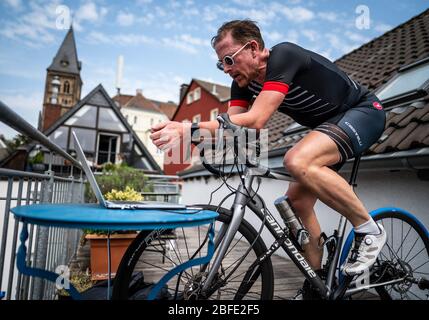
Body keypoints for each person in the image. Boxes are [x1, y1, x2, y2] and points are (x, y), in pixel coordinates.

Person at [150, 20, 387, 298]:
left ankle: (369, 229)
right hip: (327, 130)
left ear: (253, 48)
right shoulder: (243, 84)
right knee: (296, 202)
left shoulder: (284, 56)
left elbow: (257, 118)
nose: (226, 69)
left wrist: (186, 127)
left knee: (296, 160)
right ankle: (316, 286)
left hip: (363, 112)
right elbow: (237, 128)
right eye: (220, 64)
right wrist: (196, 142)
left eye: (229, 59)